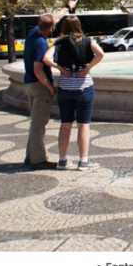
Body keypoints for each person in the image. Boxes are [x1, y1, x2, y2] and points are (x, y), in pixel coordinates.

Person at [43, 16, 104, 170]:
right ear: (78, 26)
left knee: (65, 124)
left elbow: (46, 58)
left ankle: (62, 160)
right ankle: (83, 161)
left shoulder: (59, 43)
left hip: (65, 87)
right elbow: (101, 54)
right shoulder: (87, 41)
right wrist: (87, 69)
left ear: (63, 27)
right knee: (84, 125)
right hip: (84, 87)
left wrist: (61, 69)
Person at [24, 0, 78, 170]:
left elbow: (54, 17)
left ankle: (31, 155)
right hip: (39, 86)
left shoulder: (34, 32)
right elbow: (38, 69)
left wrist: (67, 8)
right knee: (39, 124)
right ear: (52, 28)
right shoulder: (40, 43)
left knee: (35, 122)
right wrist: (49, 87)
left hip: (29, 84)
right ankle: (38, 159)